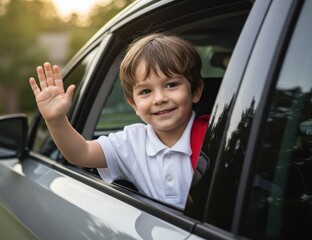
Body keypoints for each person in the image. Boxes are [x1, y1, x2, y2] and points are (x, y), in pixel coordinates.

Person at [29, 32, 205, 209]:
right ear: (133, 104)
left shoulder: (215, 134)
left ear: (196, 91)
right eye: (145, 91)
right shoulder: (131, 141)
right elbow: (81, 153)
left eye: (171, 85)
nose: (159, 98)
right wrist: (56, 120)